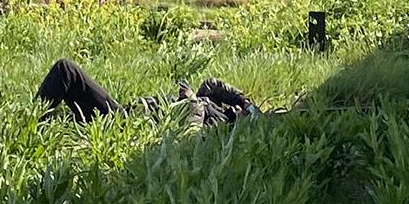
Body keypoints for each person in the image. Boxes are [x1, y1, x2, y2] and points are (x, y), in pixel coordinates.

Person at [36, 59, 256, 127]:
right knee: (66, 73)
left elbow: (190, 135)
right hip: (129, 111)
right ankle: (35, 122)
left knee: (66, 70)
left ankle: (31, 127)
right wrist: (242, 99)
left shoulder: (220, 128)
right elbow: (210, 85)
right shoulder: (222, 107)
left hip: (125, 122)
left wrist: (192, 102)